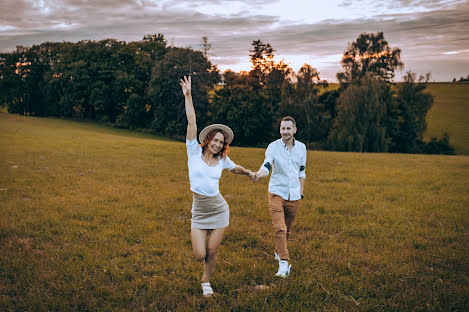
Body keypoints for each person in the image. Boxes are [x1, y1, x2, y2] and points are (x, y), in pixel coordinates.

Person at [181, 76, 256, 297]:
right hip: (199, 210)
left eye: (221, 142)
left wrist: (249, 173)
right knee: (199, 253)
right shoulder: (193, 151)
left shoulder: (223, 160)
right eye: (215, 140)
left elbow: (236, 168)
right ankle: (204, 272)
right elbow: (192, 121)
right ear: (208, 139)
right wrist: (188, 95)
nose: (217, 144)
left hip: (218, 208)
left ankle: (206, 282)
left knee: (212, 251)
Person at [254, 116, 306, 278]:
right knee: (280, 228)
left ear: (294, 130)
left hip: (294, 195)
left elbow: (302, 171)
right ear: (280, 130)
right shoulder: (273, 147)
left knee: (287, 230)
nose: (285, 132)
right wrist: (259, 174)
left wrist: (301, 192)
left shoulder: (302, 148)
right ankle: (284, 262)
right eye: (283, 128)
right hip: (276, 192)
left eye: (288, 128)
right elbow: (267, 164)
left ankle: (278, 250)